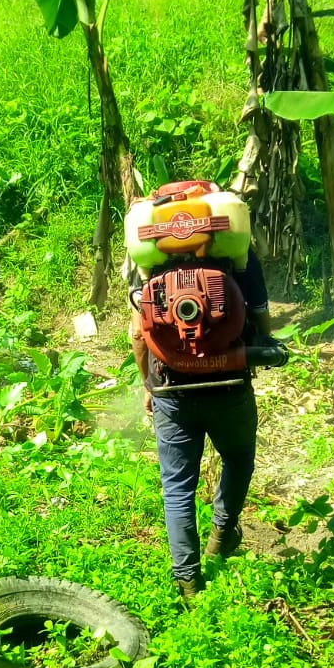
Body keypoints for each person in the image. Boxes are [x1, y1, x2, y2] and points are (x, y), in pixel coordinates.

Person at [130, 248, 274, 605]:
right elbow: (259, 311)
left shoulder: (148, 260)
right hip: (229, 385)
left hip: (171, 390)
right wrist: (264, 345)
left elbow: (138, 334)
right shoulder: (238, 254)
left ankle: (189, 583)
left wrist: (148, 385)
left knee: (177, 488)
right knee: (238, 458)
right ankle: (222, 537)